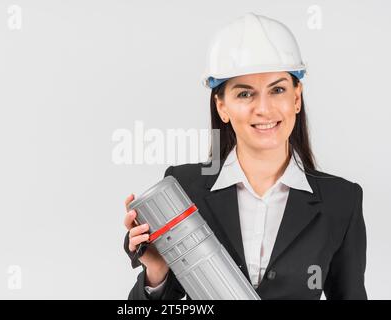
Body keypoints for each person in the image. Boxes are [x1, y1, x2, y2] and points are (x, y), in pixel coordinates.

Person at [123, 12, 367, 300]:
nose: (264, 108)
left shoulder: (341, 200)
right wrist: (156, 272)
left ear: (296, 97)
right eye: (244, 94)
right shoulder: (184, 188)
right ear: (222, 107)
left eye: (277, 90)